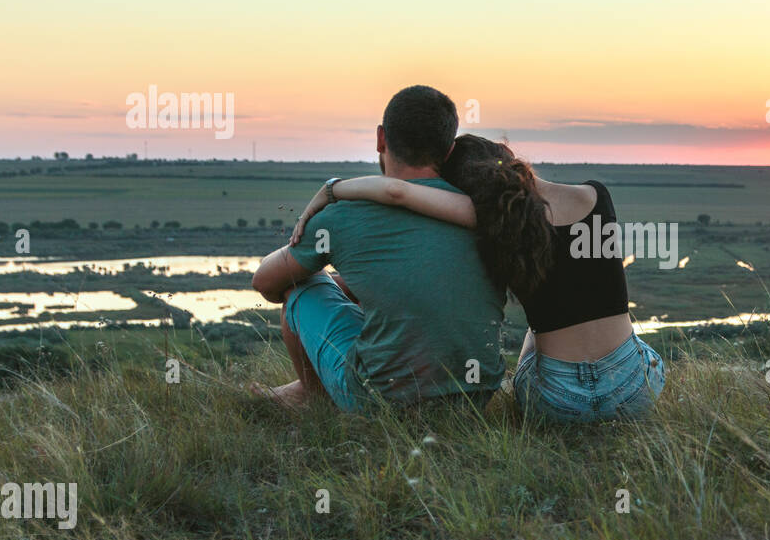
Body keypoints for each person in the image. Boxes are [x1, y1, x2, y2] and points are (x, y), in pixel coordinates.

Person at [290, 134, 665, 422]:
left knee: (539, 330)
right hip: (635, 391)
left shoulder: (494, 222)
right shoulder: (595, 196)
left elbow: (396, 191)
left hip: (555, 402)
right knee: (620, 334)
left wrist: (331, 189)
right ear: (509, 155)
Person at [249, 86, 505, 411]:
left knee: (301, 286)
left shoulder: (343, 214)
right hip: (474, 399)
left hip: (380, 402)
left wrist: (309, 250)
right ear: (449, 150)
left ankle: (313, 399)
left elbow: (266, 283)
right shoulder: (484, 211)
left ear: (381, 139)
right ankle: (306, 390)